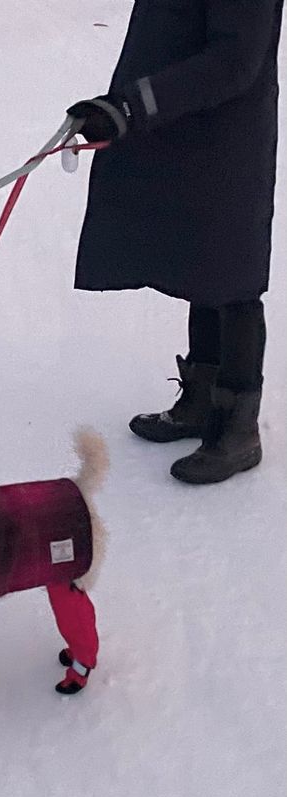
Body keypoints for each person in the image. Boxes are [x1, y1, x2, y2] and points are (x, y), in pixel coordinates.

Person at [67, 1, 283, 484]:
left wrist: (132, 105)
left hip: (227, 135)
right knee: (198, 259)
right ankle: (203, 398)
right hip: (178, 123)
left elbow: (236, 59)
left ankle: (238, 428)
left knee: (232, 273)